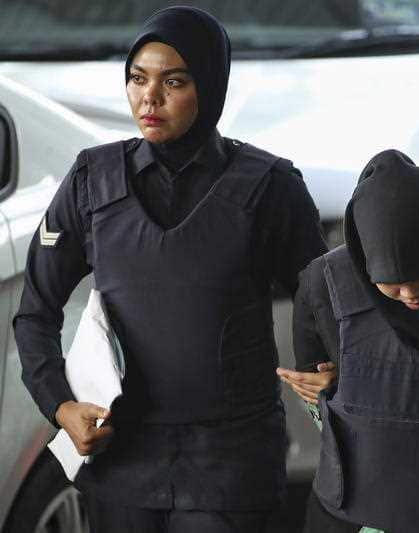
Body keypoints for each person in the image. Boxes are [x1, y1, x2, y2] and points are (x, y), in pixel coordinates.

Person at [13, 6, 327, 532]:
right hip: (122, 460)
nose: (148, 98)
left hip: (229, 465)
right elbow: (35, 313)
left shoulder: (270, 187)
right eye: (137, 79)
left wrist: (329, 373)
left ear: (210, 86)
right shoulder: (93, 179)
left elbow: (325, 303)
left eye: (173, 81)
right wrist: (60, 406)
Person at [279, 149, 419, 533]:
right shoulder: (325, 285)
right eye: (391, 284)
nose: (410, 294)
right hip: (358, 515)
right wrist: (323, 396)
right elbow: (315, 394)